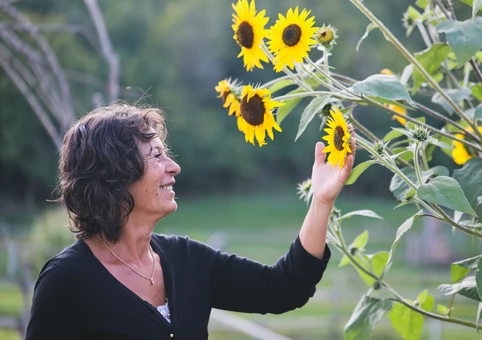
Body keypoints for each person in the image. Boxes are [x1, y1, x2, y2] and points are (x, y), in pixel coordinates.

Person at [25, 103, 355, 340]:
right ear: (114, 175)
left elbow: (283, 289)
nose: (173, 167)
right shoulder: (66, 281)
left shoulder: (188, 259)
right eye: (156, 155)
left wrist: (321, 201)